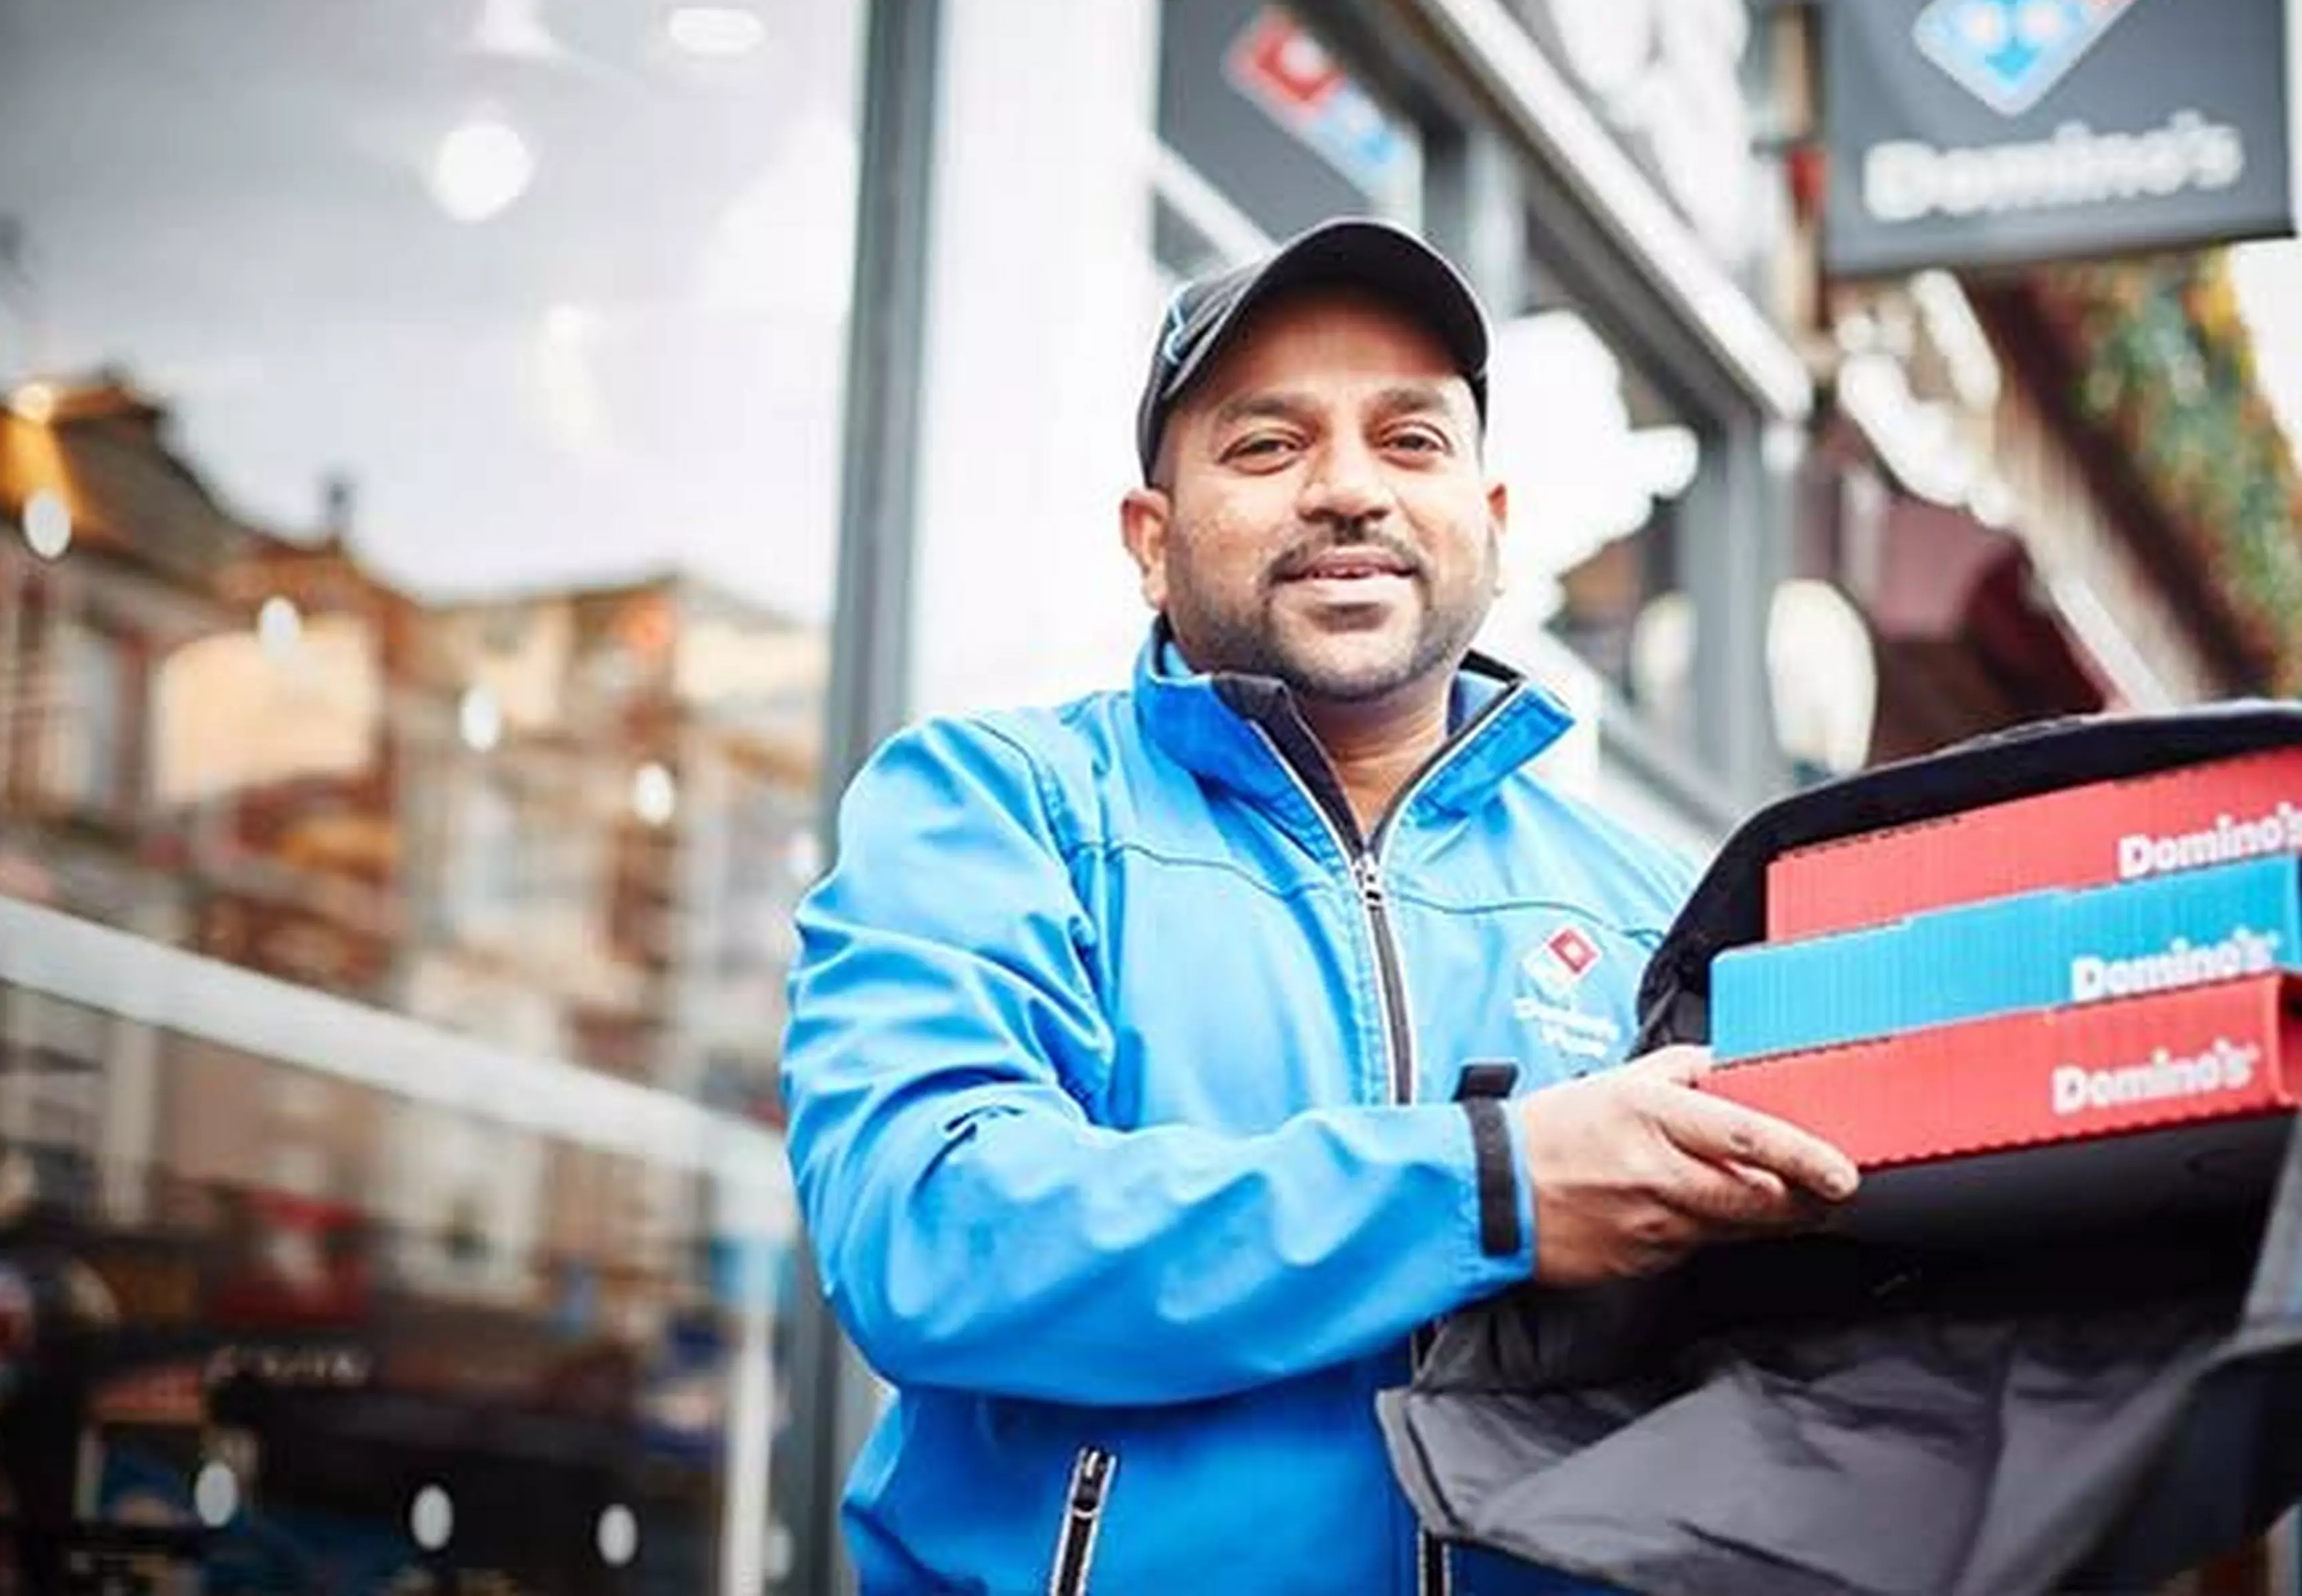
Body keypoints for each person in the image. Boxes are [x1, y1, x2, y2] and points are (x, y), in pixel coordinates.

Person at [783, 218, 1859, 1595]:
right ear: (1151, 542)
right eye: (1267, 445)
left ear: (1494, 523)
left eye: (1411, 441)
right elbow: (931, 1231)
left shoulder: (1654, 906)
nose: (1350, 489)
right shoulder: (998, 805)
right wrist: (1495, 1183)